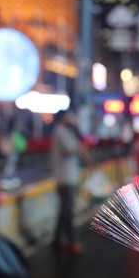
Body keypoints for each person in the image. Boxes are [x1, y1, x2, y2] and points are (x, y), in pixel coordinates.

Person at [51, 108, 91, 255]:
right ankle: (71, 241)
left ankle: (57, 239)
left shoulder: (66, 132)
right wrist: (82, 148)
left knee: (64, 210)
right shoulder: (61, 131)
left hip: (68, 176)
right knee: (68, 211)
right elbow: (70, 149)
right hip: (65, 177)